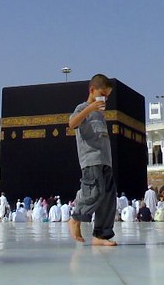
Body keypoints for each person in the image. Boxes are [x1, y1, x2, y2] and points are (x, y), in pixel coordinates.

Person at [68, 74, 117, 246]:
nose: (105, 99)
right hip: (91, 159)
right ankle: (76, 218)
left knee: (108, 198)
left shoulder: (100, 114)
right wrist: (90, 108)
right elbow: (72, 123)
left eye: (107, 96)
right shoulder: (82, 107)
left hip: (105, 160)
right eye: (102, 94)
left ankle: (101, 235)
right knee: (94, 192)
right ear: (92, 90)